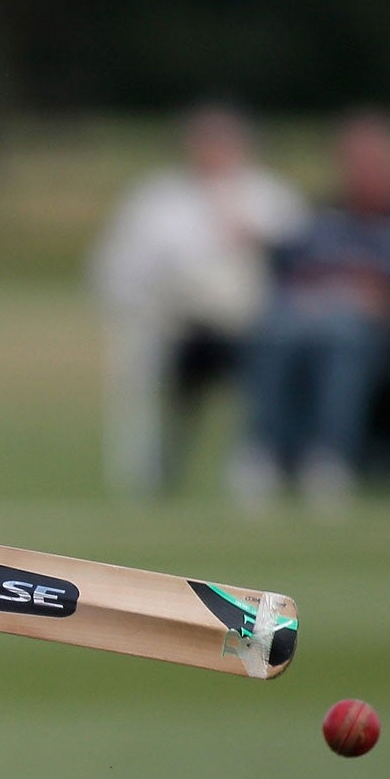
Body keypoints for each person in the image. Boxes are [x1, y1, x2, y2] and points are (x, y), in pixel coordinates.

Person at [90, 106, 306, 501]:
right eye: (205, 143)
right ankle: (149, 472)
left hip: (254, 329)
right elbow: (115, 269)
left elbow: (300, 269)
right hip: (173, 326)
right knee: (150, 361)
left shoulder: (271, 198)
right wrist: (156, 300)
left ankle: (258, 464)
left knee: (280, 348)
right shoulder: (156, 200)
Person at [232, 111, 390, 512]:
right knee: (275, 328)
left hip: (373, 333)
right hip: (310, 321)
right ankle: (265, 452)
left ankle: (330, 457)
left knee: (342, 336)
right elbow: (289, 271)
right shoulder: (323, 218)